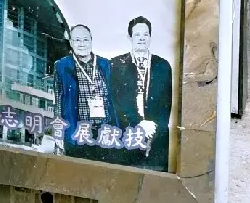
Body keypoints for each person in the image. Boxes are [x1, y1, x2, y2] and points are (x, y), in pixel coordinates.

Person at [109, 17, 174, 171]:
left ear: (150, 37)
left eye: (145, 34)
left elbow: (166, 104)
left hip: (156, 137)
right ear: (130, 37)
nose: (142, 38)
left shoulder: (163, 65)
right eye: (137, 35)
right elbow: (115, 101)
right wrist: (138, 123)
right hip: (127, 135)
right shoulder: (116, 65)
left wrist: (153, 131)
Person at [53, 25, 117, 160]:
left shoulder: (105, 64)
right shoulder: (62, 66)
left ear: (91, 41)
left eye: (85, 39)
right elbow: (58, 102)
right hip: (78, 133)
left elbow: (114, 100)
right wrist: (58, 134)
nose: (82, 44)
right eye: (77, 40)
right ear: (71, 43)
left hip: (104, 132)